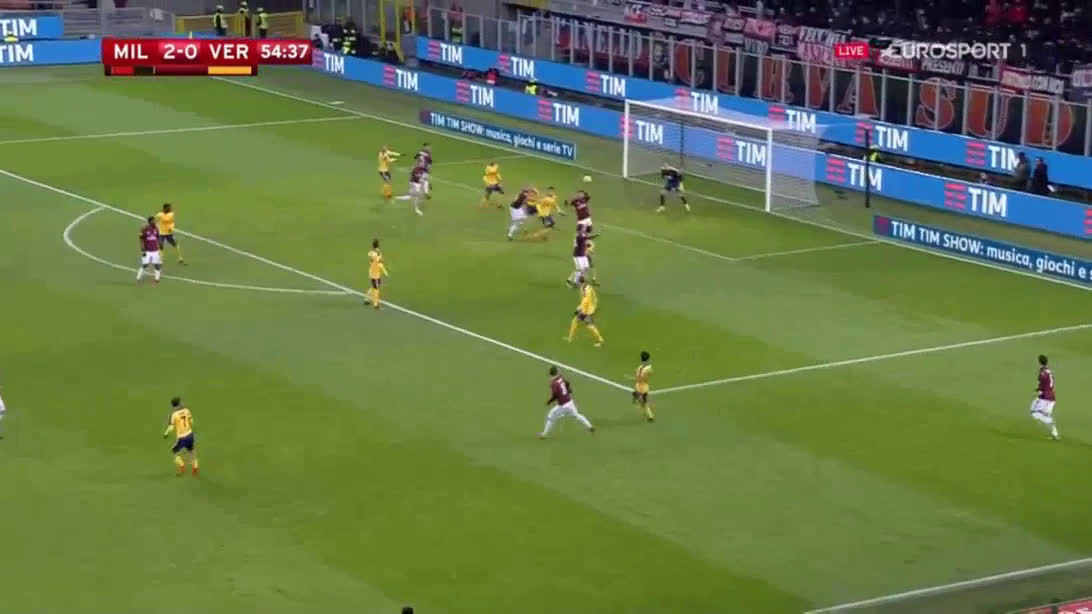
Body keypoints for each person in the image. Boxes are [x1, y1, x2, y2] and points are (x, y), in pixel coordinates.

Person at [539, 366, 594, 439]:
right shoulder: (561, 377)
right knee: (577, 415)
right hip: (570, 402)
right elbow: (567, 383)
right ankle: (590, 426)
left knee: (550, 416)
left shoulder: (554, 383)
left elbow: (555, 395)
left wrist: (549, 402)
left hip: (562, 405)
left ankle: (544, 434)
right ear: (556, 372)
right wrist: (568, 390)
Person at [163, 397, 199, 476]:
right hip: (190, 434)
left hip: (182, 437)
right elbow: (191, 421)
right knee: (191, 450)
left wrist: (166, 433)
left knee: (174, 452)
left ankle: (182, 466)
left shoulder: (173, 415)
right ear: (179, 403)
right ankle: (195, 467)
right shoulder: (186, 410)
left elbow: (171, 427)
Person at [566, 274, 604, 347]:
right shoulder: (587, 287)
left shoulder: (585, 289)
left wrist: (581, 310)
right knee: (579, 323)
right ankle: (570, 338)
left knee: (586, 325)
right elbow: (593, 298)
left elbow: (586, 300)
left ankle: (600, 340)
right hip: (589, 309)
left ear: (579, 282)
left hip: (586, 310)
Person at [1029, 354, 1059, 440]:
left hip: (1045, 398)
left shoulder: (1043, 373)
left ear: (1039, 362)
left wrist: (1038, 391)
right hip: (1051, 396)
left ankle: (1051, 424)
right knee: (1040, 413)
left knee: (1035, 412)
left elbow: (1042, 385)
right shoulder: (1049, 371)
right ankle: (1054, 433)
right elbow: (1051, 382)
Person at [137, 217, 162, 284]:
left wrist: (159, 245)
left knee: (157, 265)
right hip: (147, 251)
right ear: (150, 222)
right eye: (153, 221)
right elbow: (141, 239)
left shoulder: (156, 228)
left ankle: (157, 279)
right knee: (145, 265)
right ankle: (138, 277)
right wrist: (142, 249)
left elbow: (158, 237)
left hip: (155, 250)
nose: (155, 222)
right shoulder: (145, 229)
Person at [367, 239, 389, 309]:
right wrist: (385, 272)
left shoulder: (372, 253)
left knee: (375, 286)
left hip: (373, 272)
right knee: (376, 288)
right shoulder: (377, 254)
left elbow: (370, 255)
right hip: (375, 273)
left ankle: (367, 298)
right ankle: (375, 304)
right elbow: (379, 263)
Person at [632, 351, 654, 422]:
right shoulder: (649, 368)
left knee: (643, 402)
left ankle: (650, 416)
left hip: (638, 386)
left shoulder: (639, 367)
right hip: (644, 387)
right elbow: (649, 375)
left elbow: (638, 377)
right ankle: (650, 416)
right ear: (648, 359)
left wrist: (636, 378)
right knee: (644, 402)